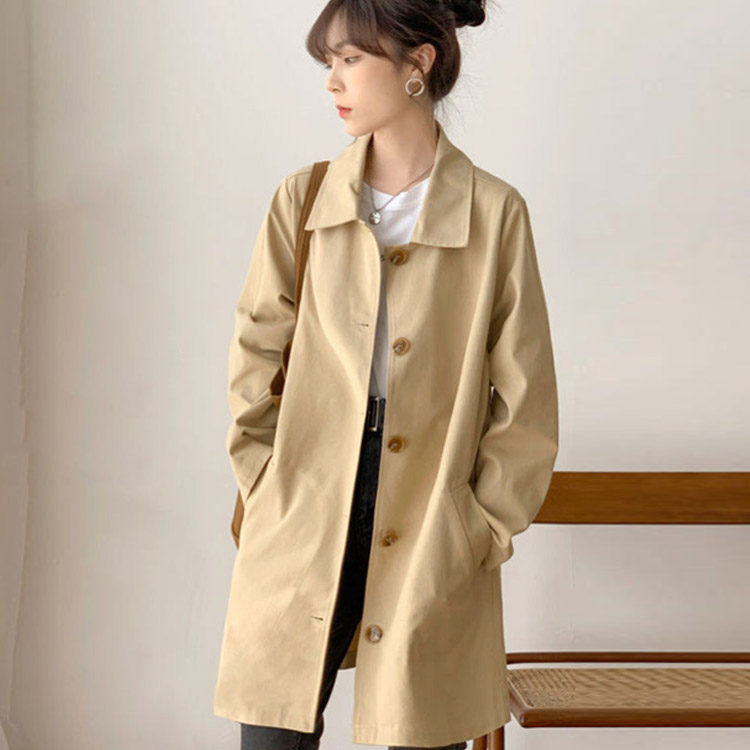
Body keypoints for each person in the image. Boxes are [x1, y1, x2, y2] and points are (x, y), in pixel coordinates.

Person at [214, 1, 559, 748]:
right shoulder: (302, 199)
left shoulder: (495, 213)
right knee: (272, 727)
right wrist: (266, 481)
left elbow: (526, 397)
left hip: (432, 509)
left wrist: (478, 527)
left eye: (350, 59)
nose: (332, 81)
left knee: (415, 723)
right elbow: (254, 355)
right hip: (307, 495)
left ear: (417, 64)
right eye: (328, 63)